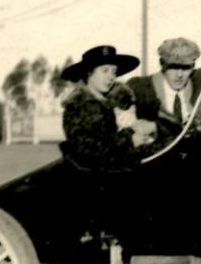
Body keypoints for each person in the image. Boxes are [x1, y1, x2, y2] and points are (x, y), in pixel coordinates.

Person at [58, 45, 156, 173]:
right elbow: (84, 149)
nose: (111, 77)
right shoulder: (77, 107)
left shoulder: (120, 104)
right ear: (89, 73)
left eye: (114, 72)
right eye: (105, 71)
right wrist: (130, 141)